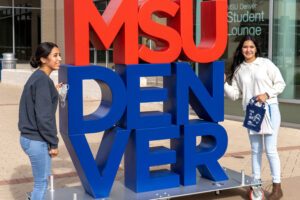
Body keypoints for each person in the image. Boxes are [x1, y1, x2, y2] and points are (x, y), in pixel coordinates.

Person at [224, 35, 286, 200]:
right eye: (245, 47)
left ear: (256, 48)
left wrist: (267, 94)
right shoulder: (239, 69)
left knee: (271, 149)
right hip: (252, 113)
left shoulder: (266, 64)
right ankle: (256, 185)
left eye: (251, 47)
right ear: (241, 49)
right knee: (256, 150)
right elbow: (235, 95)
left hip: (269, 109)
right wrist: (224, 84)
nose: (248, 50)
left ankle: (277, 188)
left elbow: (280, 84)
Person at [19, 42, 62, 200]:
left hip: (30, 138)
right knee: (41, 184)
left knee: (41, 182)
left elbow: (39, 102)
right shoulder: (43, 81)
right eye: (55, 55)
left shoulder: (39, 78)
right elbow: (45, 118)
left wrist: (53, 91)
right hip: (36, 139)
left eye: (59, 55)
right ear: (43, 59)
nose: (60, 58)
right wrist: (54, 143)